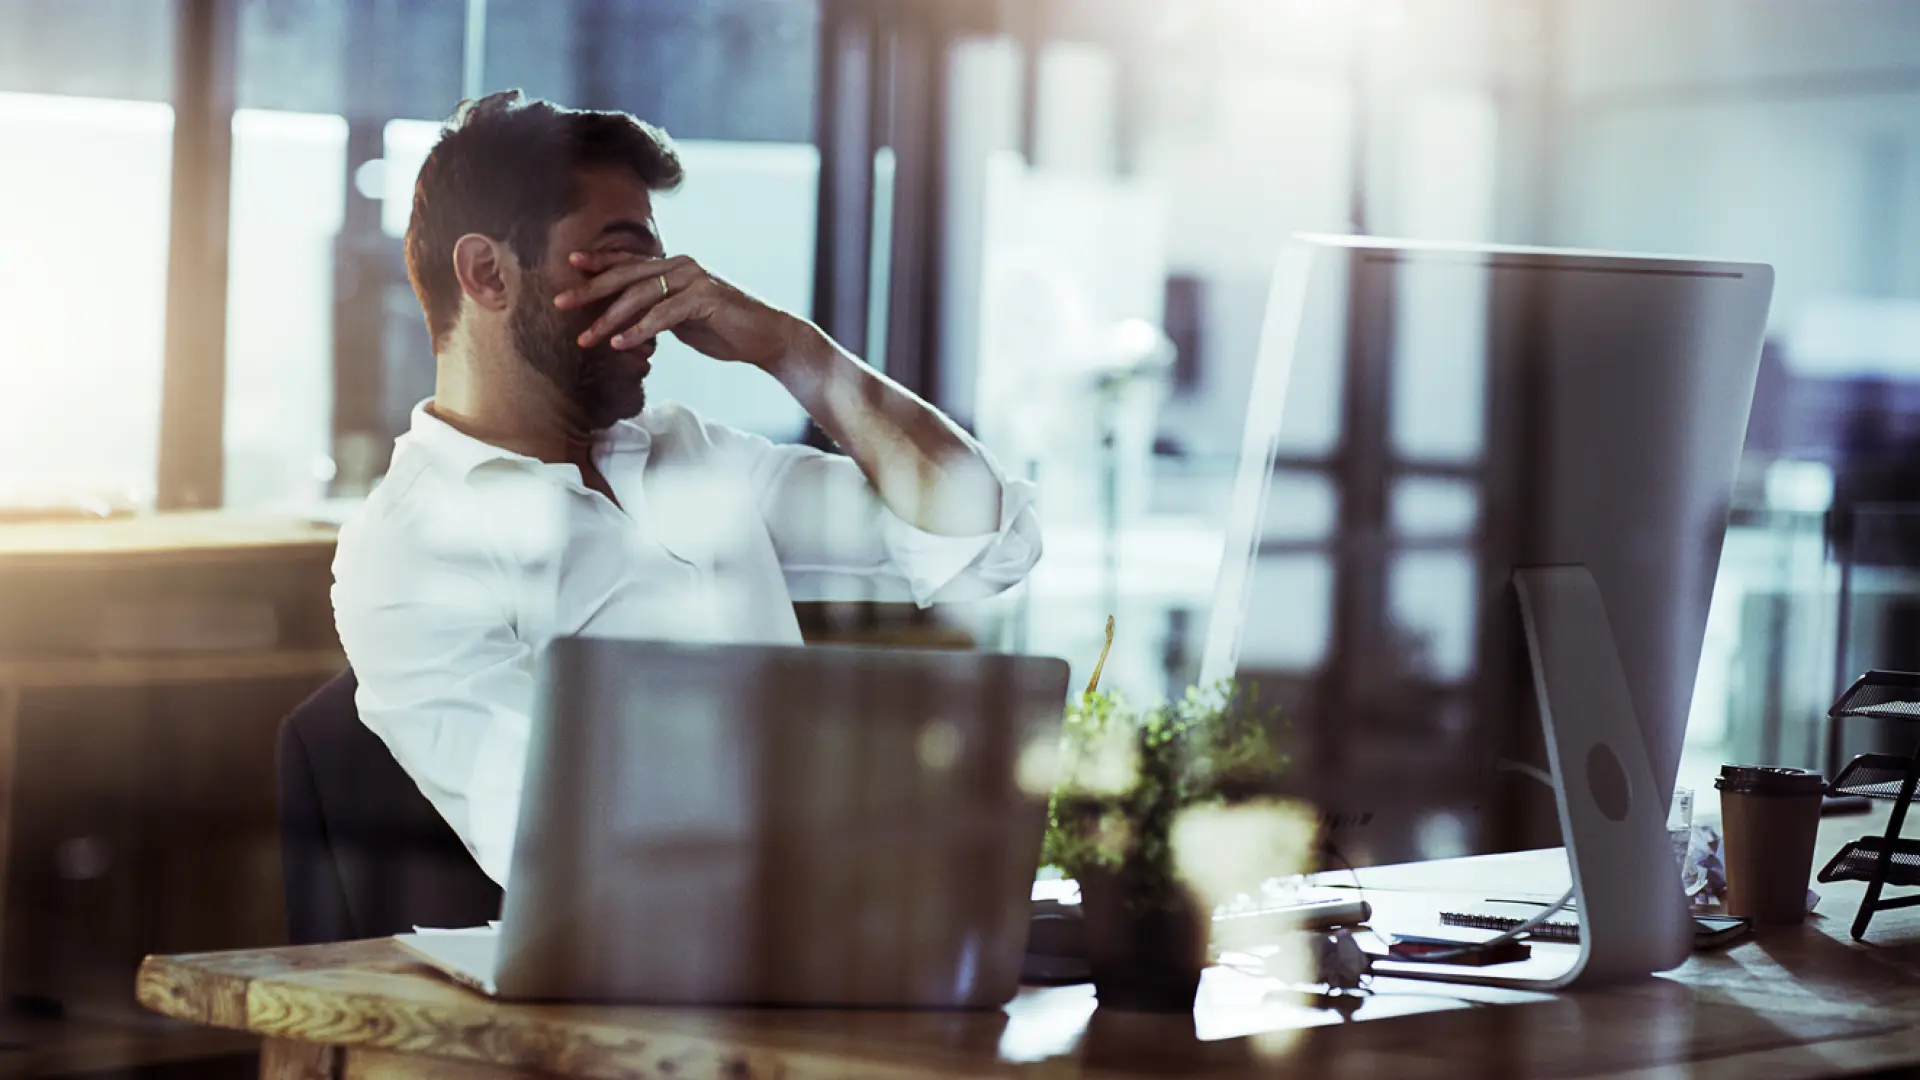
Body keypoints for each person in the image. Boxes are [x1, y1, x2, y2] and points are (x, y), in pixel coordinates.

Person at [332, 91, 1041, 886]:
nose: (666, 292)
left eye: (659, 265)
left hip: (833, 909)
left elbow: (984, 539)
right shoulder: (406, 550)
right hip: (662, 951)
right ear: (487, 273)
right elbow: (561, 841)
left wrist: (790, 348)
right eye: (620, 258)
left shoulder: (692, 453)